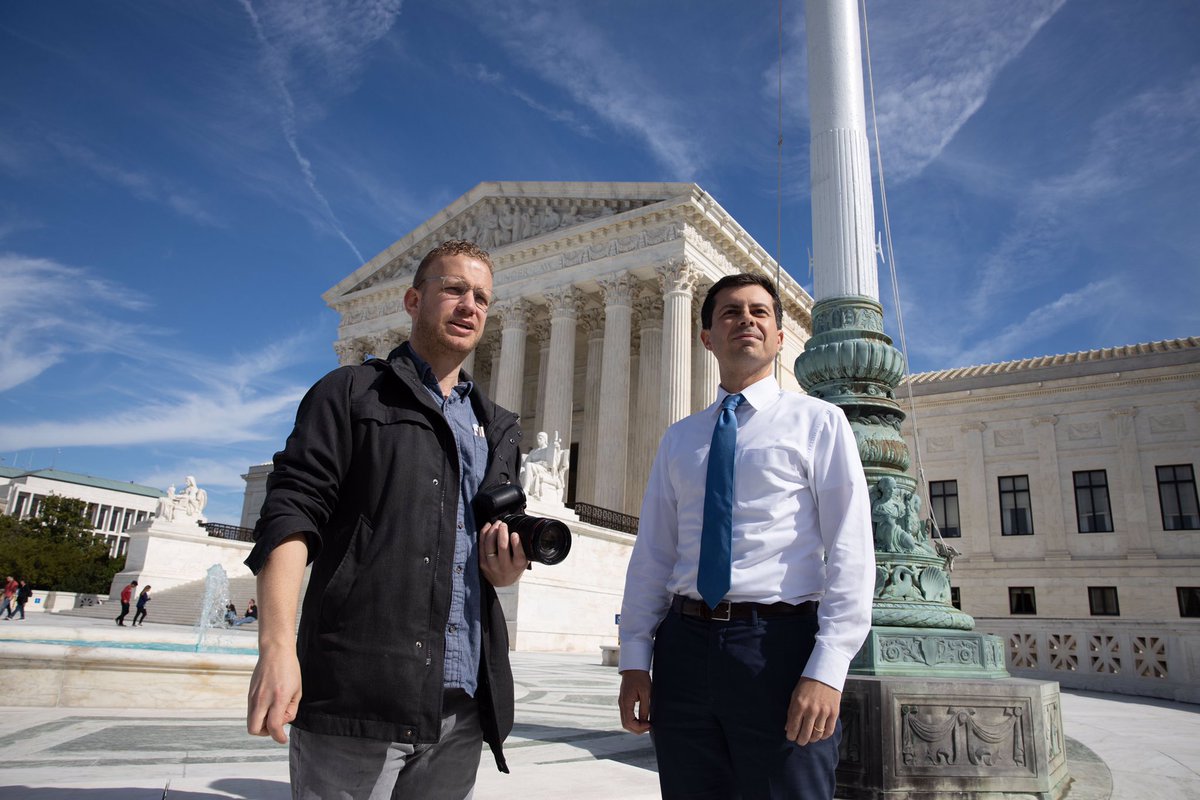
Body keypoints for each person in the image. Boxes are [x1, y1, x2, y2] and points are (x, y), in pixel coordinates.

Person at [244, 239, 528, 800]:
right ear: (412, 300)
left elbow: (476, 552)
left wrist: (505, 569)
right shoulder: (351, 393)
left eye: (481, 297)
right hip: (360, 693)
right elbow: (293, 512)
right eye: (453, 289)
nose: (469, 305)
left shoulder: (496, 427)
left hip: (462, 701)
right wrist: (276, 649)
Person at [617, 274, 875, 800]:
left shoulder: (819, 422)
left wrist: (827, 669)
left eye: (760, 312)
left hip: (777, 648)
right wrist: (634, 659)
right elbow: (653, 555)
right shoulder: (680, 438)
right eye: (730, 312)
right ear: (707, 337)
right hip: (683, 650)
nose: (747, 320)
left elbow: (851, 547)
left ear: (781, 336)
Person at [519, 431, 566, 504]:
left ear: (545, 439)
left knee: (529, 465)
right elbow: (526, 463)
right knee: (521, 469)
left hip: (544, 469)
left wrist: (558, 449)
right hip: (534, 467)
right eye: (537, 438)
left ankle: (526, 489)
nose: (538, 440)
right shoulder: (533, 451)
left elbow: (555, 462)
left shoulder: (548, 449)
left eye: (540, 438)